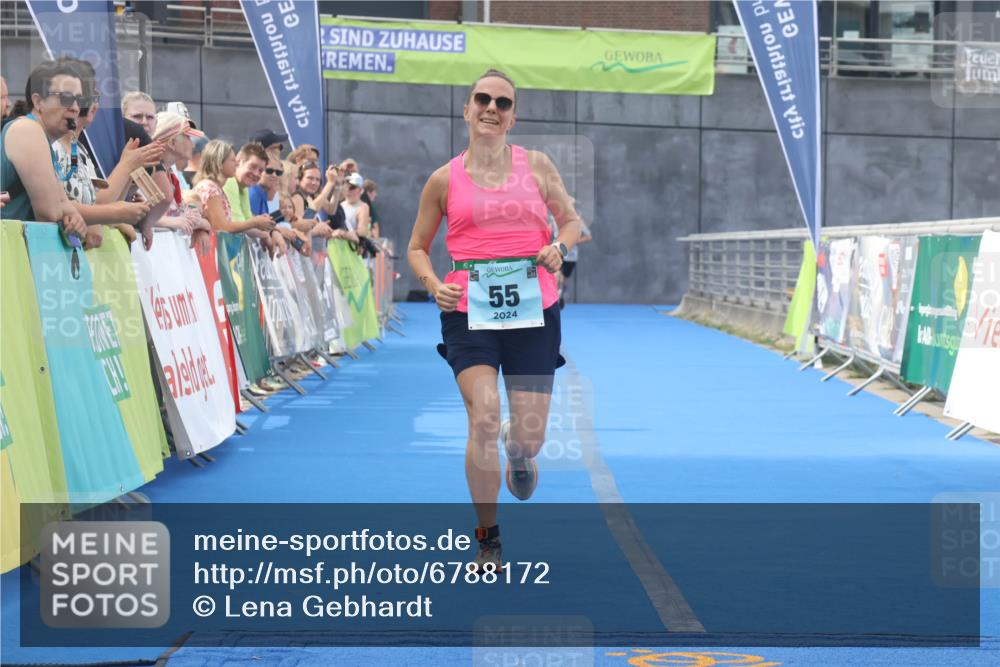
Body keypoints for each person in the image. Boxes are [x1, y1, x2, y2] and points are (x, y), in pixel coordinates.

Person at [407, 69, 582, 570]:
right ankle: (488, 538)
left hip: (533, 312)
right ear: (466, 110)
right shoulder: (444, 179)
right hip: (469, 312)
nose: (491, 108)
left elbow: (570, 221)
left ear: (513, 116)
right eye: (482, 99)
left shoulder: (539, 166)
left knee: (528, 436)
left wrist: (557, 246)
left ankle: (520, 450)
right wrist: (432, 283)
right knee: (482, 416)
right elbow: (417, 248)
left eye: (502, 103)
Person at [0, 59, 87, 238]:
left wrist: (72, 214)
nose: (76, 108)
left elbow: (64, 204)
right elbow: (50, 212)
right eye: (66, 98)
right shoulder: (27, 130)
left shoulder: (40, 137)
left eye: (80, 100)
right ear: (38, 101)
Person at [341, 172, 372, 237]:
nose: (348, 190)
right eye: (346, 186)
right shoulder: (340, 205)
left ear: (360, 190)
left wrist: (342, 234)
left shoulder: (363, 207)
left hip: (352, 246)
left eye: (352, 188)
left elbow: (362, 231)